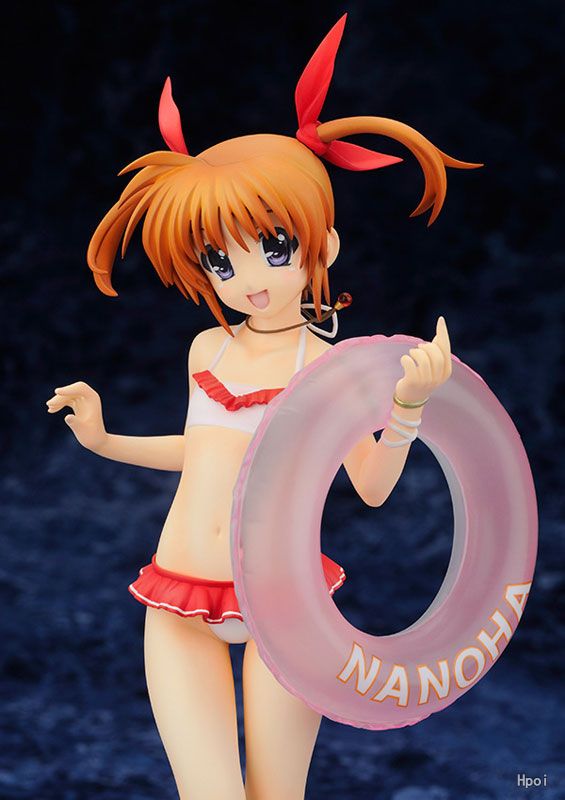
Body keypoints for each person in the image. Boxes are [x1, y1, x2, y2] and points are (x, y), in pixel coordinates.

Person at [46, 14, 476, 800]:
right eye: (220, 258)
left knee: (277, 793)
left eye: (273, 247)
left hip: (285, 606)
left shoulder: (331, 369)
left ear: (322, 246)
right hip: (177, 595)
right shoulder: (205, 351)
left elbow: (371, 487)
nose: (247, 278)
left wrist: (406, 407)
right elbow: (207, 450)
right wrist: (105, 440)